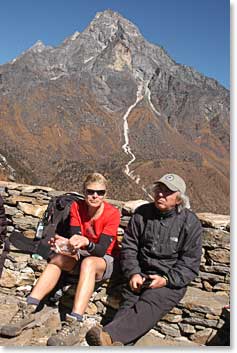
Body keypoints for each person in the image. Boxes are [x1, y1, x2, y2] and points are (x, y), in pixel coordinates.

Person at [0, 173, 120, 346]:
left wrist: (86, 242)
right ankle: (29, 307)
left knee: (89, 263)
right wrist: (65, 244)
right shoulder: (76, 208)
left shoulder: (112, 214)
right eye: (91, 192)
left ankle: (74, 322)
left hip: (104, 259)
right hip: (82, 251)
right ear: (84, 192)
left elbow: (101, 250)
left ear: (105, 194)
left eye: (100, 192)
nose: (95, 196)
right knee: (58, 258)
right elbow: (75, 235)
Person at [86, 173, 203, 346]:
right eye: (159, 190)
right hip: (141, 273)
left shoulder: (190, 223)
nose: (160, 195)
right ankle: (113, 342)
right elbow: (129, 247)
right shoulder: (142, 214)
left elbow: (190, 262)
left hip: (169, 279)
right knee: (129, 302)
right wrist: (133, 273)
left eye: (167, 192)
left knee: (151, 301)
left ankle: (109, 336)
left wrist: (166, 280)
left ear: (179, 199)